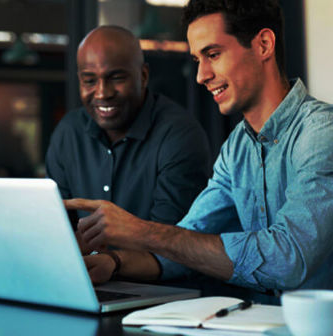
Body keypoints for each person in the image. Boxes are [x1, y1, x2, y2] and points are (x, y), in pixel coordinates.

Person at [65, 0, 333, 317]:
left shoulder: (329, 135)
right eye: (196, 59)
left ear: (263, 44)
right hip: (272, 325)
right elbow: (186, 242)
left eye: (213, 55)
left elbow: (287, 259)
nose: (202, 76)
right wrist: (113, 262)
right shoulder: (237, 148)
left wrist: (140, 230)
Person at [46, 25, 211, 228]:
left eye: (116, 78)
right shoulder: (69, 133)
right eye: (89, 80)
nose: (102, 93)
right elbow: (57, 225)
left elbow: (172, 240)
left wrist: (112, 259)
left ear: (143, 76)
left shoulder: (179, 135)